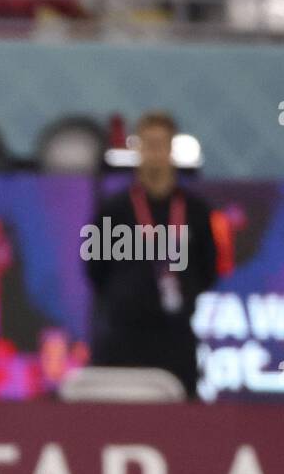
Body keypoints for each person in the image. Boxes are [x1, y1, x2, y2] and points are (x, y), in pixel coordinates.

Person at [85, 111, 219, 398]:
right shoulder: (114, 210)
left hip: (176, 335)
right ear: (138, 150)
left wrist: (184, 293)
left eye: (161, 144)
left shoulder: (196, 212)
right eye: (148, 144)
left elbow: (210, 268)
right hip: (124, 335)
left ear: (171, 149)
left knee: (180, 422)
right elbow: (96, 270)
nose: (155, 153)